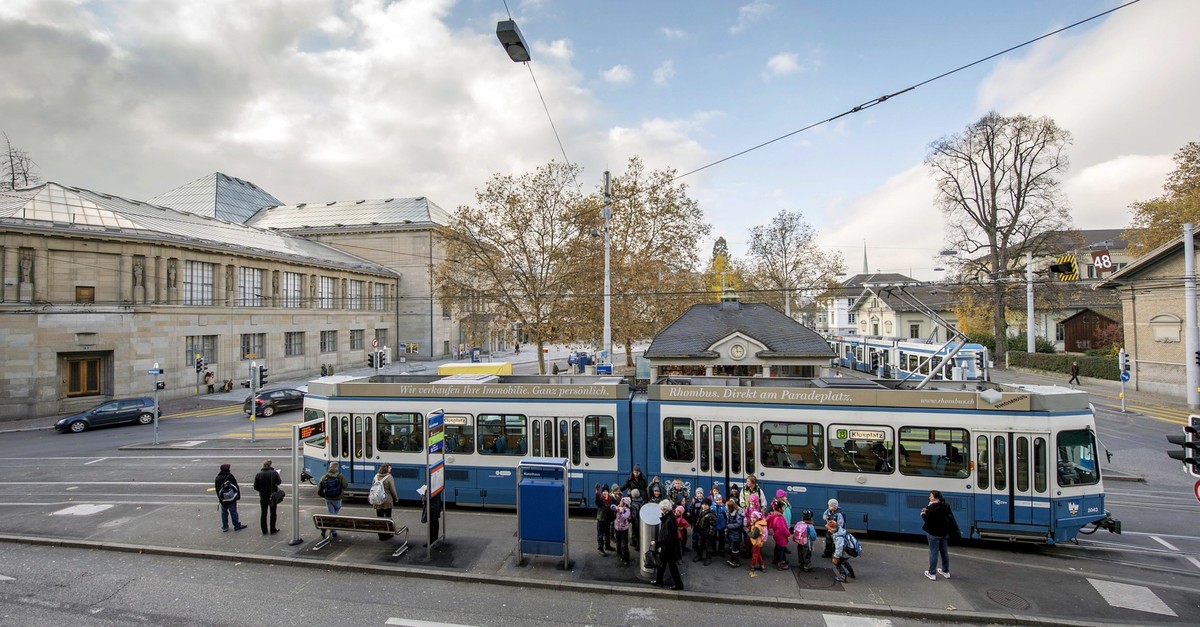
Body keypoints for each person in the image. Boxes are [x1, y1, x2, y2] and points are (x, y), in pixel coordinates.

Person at [921, 489, 957, 580]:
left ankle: (932, 573)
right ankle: (945, 571)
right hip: (944, 533)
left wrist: (923, 514)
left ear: (934, 497)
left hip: (934, 533)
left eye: (931, 496)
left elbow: (929, 520)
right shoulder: (945, 505)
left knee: (933, 553)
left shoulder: (932, 507)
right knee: (944, 552)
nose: (929, 497)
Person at [651, 500, 683, 590]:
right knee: (662, 564)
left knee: (672, 566)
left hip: (669, 548)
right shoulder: (670, 517)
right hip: (669, 547)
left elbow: (668, 538)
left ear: (665, 509)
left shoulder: (669, 520)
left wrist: (657, 543)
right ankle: (659, 581)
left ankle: (679, 584)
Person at [316, 461, 347, 538]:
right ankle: (333, 531)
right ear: (337, 468)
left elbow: (319, 489)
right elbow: (345, 485)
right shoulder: (340, 476)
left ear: (329, 467)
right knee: (335, 513)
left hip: (328, 499)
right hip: (338, 498)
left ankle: (326, 527)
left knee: (331, 514)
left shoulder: (324, 477)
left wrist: (323, 495)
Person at [214, 463, 247, 532]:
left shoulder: (218, 477)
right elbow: (235, 486)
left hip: (223, 498)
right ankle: (237, 525)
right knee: (233, 511)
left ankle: (225, 526)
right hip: (231, 497)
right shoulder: (230, 476)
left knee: (224, 512)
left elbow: (217, 489)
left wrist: (220, 498)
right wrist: (238, 496)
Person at [252, 459, 281, 535]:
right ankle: (272, 529)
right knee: (273, 513)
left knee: (263, 513)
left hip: (263, 495)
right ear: (270, 465)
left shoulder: (258, 474)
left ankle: (264, 530)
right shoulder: (274, 473)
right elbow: (279, 482)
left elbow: (255, 486)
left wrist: (261, 490)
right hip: (272, 495)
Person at [371, 463, 399, 540]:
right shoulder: (389, 477)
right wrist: (396, 498)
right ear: (386, 468)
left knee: (379, 518)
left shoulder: (376, 476)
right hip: (387, 500)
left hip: (378, 500)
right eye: (390, 468)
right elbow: (393, 490)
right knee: (387, 518)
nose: (391, 469)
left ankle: (381, 535)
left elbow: (373, 487)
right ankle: (387, 534)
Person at [828, 518, 856, 582]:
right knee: (844, 561)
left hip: (845, 553)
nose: (828, 530)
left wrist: (835, 557)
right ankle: (851, 573)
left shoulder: (838, 537)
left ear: (832, 530)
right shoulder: (841, 531)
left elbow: (839, 548)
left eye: (829, 529)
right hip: (849, 552)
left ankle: (843, 576)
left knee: (837, 563)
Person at [767, 501, 791, 570]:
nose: (784, 508)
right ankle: (781, 563)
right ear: (780, 509)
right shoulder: (780, 518)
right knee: (781, 550)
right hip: (781, 537)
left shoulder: (775, 515)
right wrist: (788, 533)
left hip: (777, 535)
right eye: (783, 507)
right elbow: (783, 529)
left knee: (778, 548)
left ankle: (776, 559)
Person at [693, 497, 717, 566]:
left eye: (706, 505)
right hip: (701, 532)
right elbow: (698, 520)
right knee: (700, 544)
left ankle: (708, 558)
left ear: (709, 506)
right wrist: (696, 527)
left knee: (708, 546)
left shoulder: (711, 514)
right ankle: (699, 556)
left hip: (707, 534)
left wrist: (710, 534)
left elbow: (713, 526)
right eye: (703, 504)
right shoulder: (701, 512)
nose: (704, 506)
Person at [595, 483, 615, 555]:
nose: (605, 492)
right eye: (604, 491)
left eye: (606, 491)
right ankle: (600, 548)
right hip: (601, 519)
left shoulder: (611, 498)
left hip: (607, 519)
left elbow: (614, 505)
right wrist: (597, 491)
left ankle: (607, 545)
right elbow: (597, 502)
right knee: (600, 534)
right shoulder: (600, 498)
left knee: (607, 533)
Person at [724, 497, 744, 568]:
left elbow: (739, 524)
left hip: (736, 535)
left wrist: (728, 526)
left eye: (727, 507)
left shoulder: (737, 514)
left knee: (735, 548)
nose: (726, 508)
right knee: (732, 547)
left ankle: (736, 561)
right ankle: (732, 559)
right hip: (731, 534)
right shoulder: (730, 513)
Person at [613, 496, 632, 566]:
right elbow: (612, 507)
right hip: (617, 528)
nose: (620, 502)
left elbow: (625, 516)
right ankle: (619, 554)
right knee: (618, 542)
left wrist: (621, 511)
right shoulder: (618, 507)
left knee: (624, 545)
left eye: (621, 502)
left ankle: (626, 559)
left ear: (624, 504)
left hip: (624, 529)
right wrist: (616, 508)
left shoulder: (627, 510)